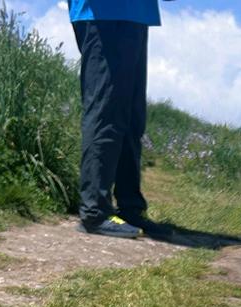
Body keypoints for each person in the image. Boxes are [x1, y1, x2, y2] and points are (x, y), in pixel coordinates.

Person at [68, 0, 169, 238]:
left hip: (135, 15)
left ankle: (130, 208)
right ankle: (95, 213)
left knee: (132, 118)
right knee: (105, 112)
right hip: (104, 14)